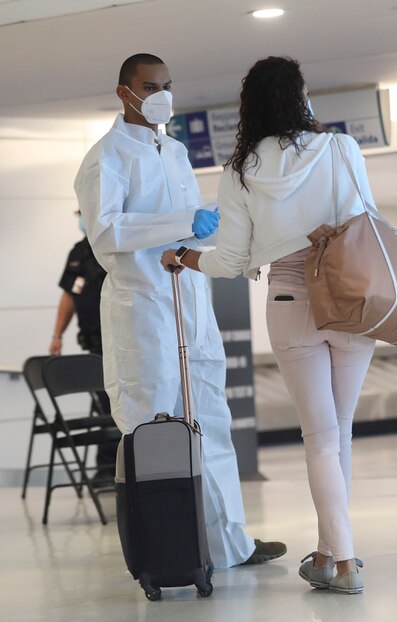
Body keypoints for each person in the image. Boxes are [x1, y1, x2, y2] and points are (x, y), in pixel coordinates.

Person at [161, 56, 375, 595]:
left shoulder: (240, 172)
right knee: (339, 433)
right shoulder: (342, 148)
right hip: (352, 296)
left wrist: (185, 258)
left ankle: (340, 559)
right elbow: (367, 217)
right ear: (301, 97)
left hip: (289, 297)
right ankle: (331, 555)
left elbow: (230, 262)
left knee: (321, 438)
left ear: (250, 105)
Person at [75, 53, 285, 568]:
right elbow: (106, 233)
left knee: (211, 418)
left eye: (168, 84)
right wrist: (179, 219)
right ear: (124, 91)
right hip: (142, 307)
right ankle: (168, 549)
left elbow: (184, 227)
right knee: (153, 428)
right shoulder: (106, 158)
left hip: (189, 301)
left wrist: (205, 232)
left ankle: (229, 544)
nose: (161, 95)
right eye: (151, 85)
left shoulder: (173, 151)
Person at [49, 213, 117, 484]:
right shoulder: (78, 252)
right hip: (93, 343)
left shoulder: (115, 243)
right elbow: (69, 295)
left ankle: (116, 467)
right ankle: (107, 468)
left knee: (116, 404)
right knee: (103, 403)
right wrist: (57, 335)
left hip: (120, 340)